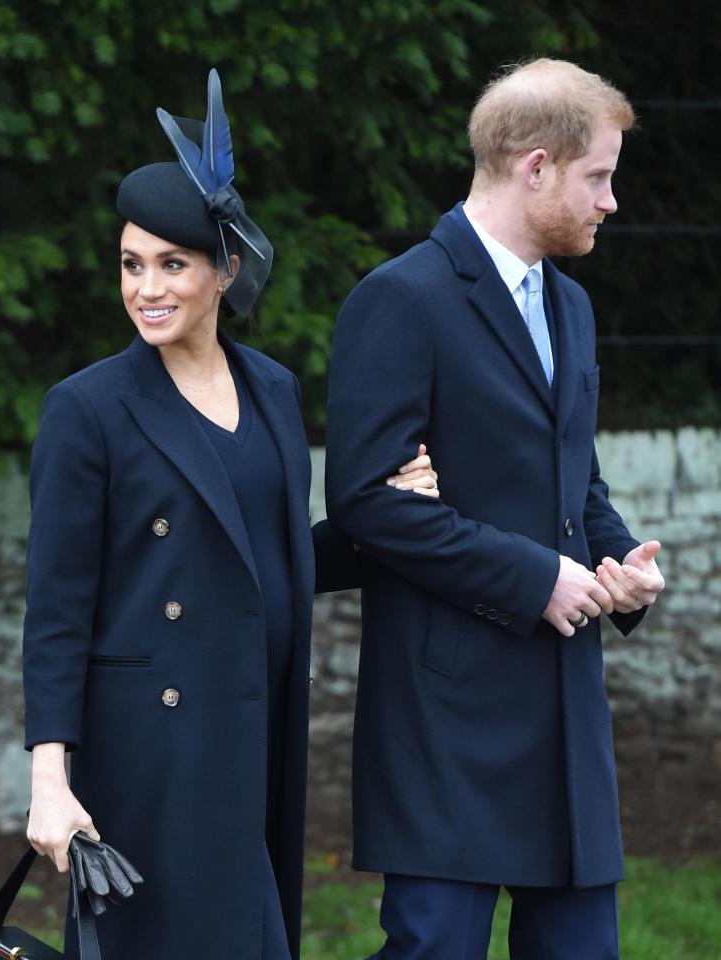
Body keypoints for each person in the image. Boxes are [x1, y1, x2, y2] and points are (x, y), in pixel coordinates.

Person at [23, 70, 439, 960]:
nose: (147, 288)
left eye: (172, 264)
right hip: (148, 751)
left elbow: (267, 561)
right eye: (132, 264)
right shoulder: (87, 408)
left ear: (226, 270)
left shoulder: (273, 389)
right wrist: (48, 781)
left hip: (255, 728)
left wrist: (381, 523)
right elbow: (56, 608)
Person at [325, 58, 665, 960]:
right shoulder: (399, 299)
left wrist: (619, 562)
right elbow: (364, 501)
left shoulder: (574, 307)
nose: (609, 202)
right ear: (535, 166)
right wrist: (535, 579)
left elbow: (573, 484)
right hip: (447, 720)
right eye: (598, 176)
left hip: (564, 717)